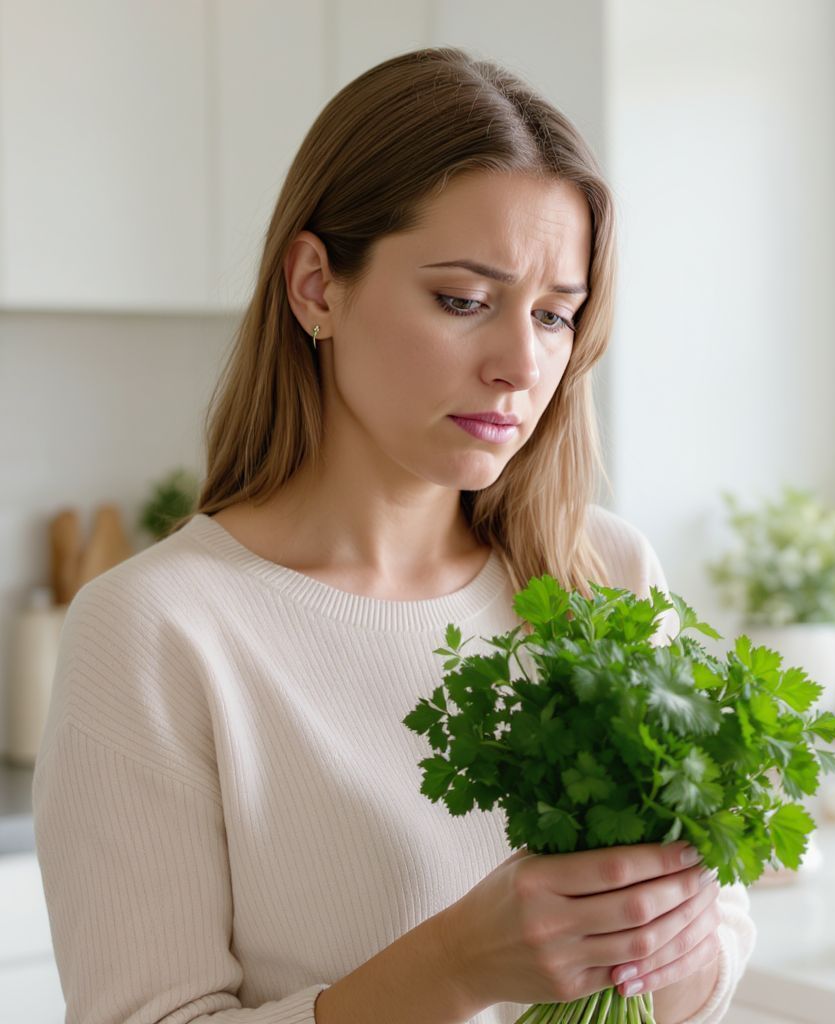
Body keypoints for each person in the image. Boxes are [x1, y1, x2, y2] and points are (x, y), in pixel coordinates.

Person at [32, 46, 755, 1024]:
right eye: (464, 300)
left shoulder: (605, 575)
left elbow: (703, 962)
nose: (519, 363)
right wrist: (457, 966)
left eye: (555, 314)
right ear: (315, 287)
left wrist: (671, 934)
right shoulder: (155, 629)